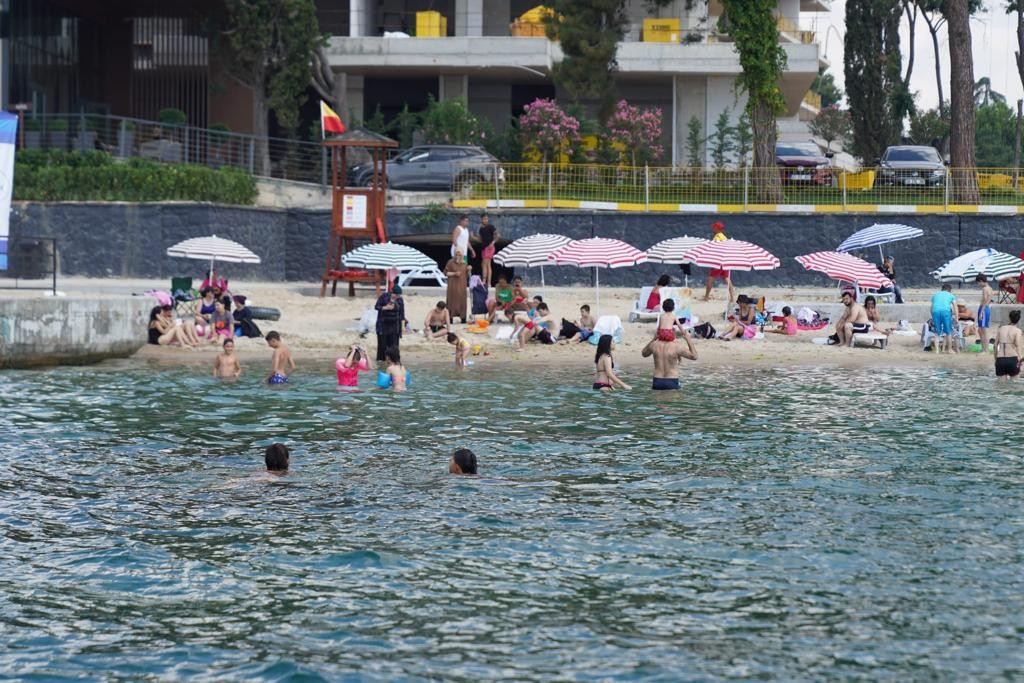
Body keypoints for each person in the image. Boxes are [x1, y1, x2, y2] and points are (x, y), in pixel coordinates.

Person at [702, 221, 734, 303]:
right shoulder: (724, 237)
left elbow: (715, 249)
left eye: (714, 227)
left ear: (717, 228)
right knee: (727, 278)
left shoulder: (717, 237)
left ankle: (706, 297)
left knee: (711, 277)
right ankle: (732, 297)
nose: (712, 229)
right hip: (725, 260)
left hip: (718, 260)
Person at [374, 285, 405, 364]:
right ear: (392, 293)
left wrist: (403, 327)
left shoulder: (400, 300)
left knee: (394, 347)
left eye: (399, 295)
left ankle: (394, 361)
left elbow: (402, 314)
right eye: (396, 295)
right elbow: (377, 307)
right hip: (383, 326)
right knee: (382, 346)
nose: (398, 297)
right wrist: (385, 307)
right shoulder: (384, 297)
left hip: (394, 327)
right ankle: (381, 362)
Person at [993, 310, 1023, 379]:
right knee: (1014, 386)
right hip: (1012, 359)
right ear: (1018, 319)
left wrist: (996, 360)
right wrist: (1020, 361)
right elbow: (1018, 346)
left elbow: (995, 346)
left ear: (1009, 318)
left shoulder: (1001, 328)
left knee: (1001, 388)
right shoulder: (1017, 331)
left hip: (1000, 359)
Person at [929, 283, 959, 354]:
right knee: (948, 332)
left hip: (935, 312)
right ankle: (949, 350)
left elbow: (931, 308)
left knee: (937, 332)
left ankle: (937, 351)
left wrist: (933, 315)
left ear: (942, 289)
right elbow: (955, 306)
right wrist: (956, 317)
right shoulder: (951, 295)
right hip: (946, 312)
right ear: (950, 290)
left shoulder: (935, 295)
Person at [444, 249, 471, 323]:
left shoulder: (465, 263)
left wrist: (469, 270)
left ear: (462, 255)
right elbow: (446, 273)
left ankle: (463, 318)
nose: (457, 256)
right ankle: (450, 318)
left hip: (462, 286)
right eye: (456, 254)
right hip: (452, 286)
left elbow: (467, 276)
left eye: (459, 254)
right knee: (451, 301)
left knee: (462, 301)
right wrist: (454, 274)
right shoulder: (450, 262)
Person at [478, 213, 499, 288]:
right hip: (484, 248)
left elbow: (498, 235)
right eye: (484, 219)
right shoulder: (481, 229)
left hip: (489, 247)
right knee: (487, 265)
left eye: (487, 219)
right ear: (481, 219)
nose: (486, 220)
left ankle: (485, 281)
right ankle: (488, 282)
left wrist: (493, 243)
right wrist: (473, 237)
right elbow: (481, 239)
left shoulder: (490, 226)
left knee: (484, 264)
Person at [976, 273, 994, 350]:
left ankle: (985, 349)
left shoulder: (985, 289)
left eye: (978, 282)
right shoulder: (990, 288)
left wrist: (981, 312)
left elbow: (985, 300)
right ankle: (984, 348)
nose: (978, 284)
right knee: (981, 329)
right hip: (986, 309)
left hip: (983, 308)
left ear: (981, 281)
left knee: (984, 330)